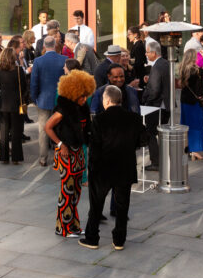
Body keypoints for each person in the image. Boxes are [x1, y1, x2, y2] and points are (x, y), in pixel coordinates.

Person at [80, 85, 144, 251]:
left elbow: (94, 148)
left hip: (103, 169)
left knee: (96, 205)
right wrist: (130, 144)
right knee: (122, 206)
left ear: (106, 100)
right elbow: (144, 139)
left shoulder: (99, 120)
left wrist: (90, 170)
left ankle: (92, 238)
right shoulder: (134, 118)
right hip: (125, 167)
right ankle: (119, 240)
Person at [45, 67, 94, 238]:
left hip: (79, 153)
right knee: (67, 192)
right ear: (74, 94)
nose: (85, 98)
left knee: (76, 193)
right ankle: (62, 228)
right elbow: (48, 127)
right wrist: (60, 144)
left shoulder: (82, 108)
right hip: (66, 154)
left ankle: (73, 225)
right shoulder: (63, 109)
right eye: (82, 96)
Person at [31, 34, 67, 166]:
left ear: (44, 46)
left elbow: (34, 82)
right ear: (55, 45)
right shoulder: (64, 59)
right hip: (60, 100)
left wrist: (34, 97)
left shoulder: (38, 61)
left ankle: (43, 158)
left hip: (43, 100)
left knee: (43, 129)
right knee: (59, 129)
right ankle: (59, 157)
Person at [0, 38, 29, 165]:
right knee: (16, 131)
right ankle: (16, 157)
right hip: (17, 103)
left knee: (3, 132)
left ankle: (3, 157)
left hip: (2, 103)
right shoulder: (19, 70)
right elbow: (24, 87)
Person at [141, 40, 170, 171]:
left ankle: (156, 162)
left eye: (147, 52)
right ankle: (161, 159)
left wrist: (147, 101)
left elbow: (155, 90)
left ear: (153, 52)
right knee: (160, 133)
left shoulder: (158, 66)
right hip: (165, 105)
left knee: (151, 132)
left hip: (157, 106)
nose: (146, 54)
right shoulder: (165, 63)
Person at [178, 49, 203, 160]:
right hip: (194, 101)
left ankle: (187, 148)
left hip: (185, 100)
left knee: (186, 125)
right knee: (196, 126)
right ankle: (194, 150)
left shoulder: (183, 68)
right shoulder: (194, 70)